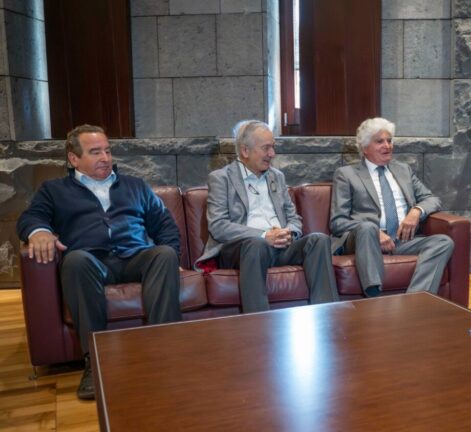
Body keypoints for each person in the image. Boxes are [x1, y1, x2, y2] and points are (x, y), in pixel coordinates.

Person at [16, 124, 182, 400]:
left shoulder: (135, 186)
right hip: (91, 261)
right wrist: (39, 231)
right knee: (75, 260)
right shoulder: (54, 190)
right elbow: (30, 218)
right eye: (95, 152)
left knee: (164, 254)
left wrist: (173, 253)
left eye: (107, 150)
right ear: (74, 158)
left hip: (134, 256)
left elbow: (165, 225)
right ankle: (94, 361)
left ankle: (166, 350)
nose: (105, 158)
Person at [195, 120, 338, 312]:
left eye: (273, 147)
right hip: (242, 249)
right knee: (257, 244)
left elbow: (293, 217)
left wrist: (290, 233)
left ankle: (327, 314)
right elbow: (218, 226)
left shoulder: (276, 176)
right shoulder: (222, 178)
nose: (272, 154)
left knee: (318, 241)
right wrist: (264, 236)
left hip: (280, 245)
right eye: (266, 148)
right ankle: (259, 321)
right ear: (245, 151)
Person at [330, 117, 454, 297]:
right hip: (366, 240)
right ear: (364, 148)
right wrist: (375, 232)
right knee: (367, 228)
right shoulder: (346, 174)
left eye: (389, 141)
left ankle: (416, 300)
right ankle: (374, 296)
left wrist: (416, 211)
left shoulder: (403, 170)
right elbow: (338, 222)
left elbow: (431, 199)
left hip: (402, 240)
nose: (387, 146)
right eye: (379, 141)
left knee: (443, 242)